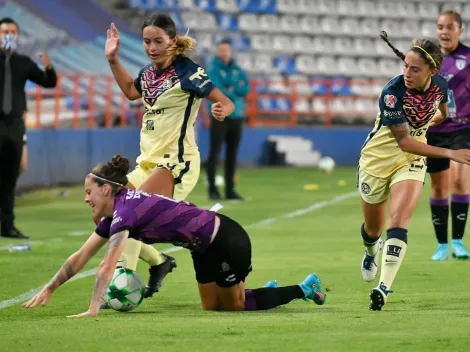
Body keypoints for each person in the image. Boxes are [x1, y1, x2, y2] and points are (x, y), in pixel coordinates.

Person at [23, 155, 326, 316]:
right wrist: (50, 288)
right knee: (211, 307)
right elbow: (81, 256)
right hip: (202, 248)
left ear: (105, 189)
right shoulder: (118, 213)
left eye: (88, 192)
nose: (86, 199)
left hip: (225, 239)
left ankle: (304, 289)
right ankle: (256, 292)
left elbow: (106, 265)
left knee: (233, 307)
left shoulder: (126, 212)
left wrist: (92, 309)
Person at [101, 15, 235, 302]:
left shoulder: (189, 71)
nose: (152, 47)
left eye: (158, 41)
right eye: (147, 41)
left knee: (131, 214)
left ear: (173, 42)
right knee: (106, 209)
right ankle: (160, 261)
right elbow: (129, 91)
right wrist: (112, 59)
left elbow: (225, 100)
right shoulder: (148, 74)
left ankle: (121, 283)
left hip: (177, 163)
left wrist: (222, 109)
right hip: (146, 162)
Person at [357, 31, 470, 311]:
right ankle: (371, 250)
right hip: (376, 161)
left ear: (432, 71)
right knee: (373, 229)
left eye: (414, 69)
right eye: (405, 66)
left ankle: (383, 287)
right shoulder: (392, 93)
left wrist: (434, 119)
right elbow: (404, 140)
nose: (407, 73)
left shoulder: (441, 86)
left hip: (410, 161)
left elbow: (443, 111)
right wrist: (449, 153)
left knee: (399, 221)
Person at [0, 17, 56, 239]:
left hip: (14, 126)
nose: (9, 35)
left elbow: (48, 82)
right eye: (5, 31)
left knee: (9, 178)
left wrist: (49, 66)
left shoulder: (23, 62)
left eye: (12, 31)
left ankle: (7, 225)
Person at [427, 11, 470, 261]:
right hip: (434, 129)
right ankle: (442, 244)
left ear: (459, 30)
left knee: (459, 180)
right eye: (440, 26)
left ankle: (458, 241)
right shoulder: (428, 58)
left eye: (450, 27)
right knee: (439, 187)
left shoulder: (468, 56)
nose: (444, 31)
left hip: (463, 127)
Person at [206, 39, 250, 200]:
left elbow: (245, 88)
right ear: (218, 52)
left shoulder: (237, 69)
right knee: (215, 154)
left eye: (227, 50)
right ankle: (212, 190)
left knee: (233, 154)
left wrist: (231, 88)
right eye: (222, 50)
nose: (224, 53)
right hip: (219, 115)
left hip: (237, 116)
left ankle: (230, 190)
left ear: (230, 51)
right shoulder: (213, 69)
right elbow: (217, 90)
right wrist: (232, 89)